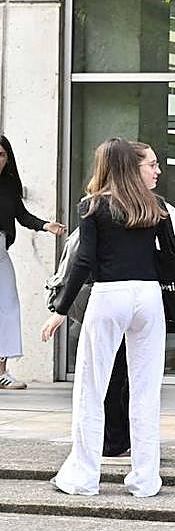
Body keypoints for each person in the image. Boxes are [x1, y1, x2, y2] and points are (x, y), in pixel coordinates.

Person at [41, 138, 175, 497]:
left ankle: (83, 477)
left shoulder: (92, 206)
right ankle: (145, 480)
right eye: (152, 164)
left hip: (109, 295)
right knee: (146, 390)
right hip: (148, 297)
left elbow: (83, 261)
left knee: (91, 387)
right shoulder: (156, 206)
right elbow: (171, 257)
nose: (158, 170)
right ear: (131, 167)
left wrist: (60, 309)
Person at [0, 134, 66, 389]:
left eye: (1, 155)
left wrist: (45, 225)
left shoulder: (9, 185)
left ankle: (1, 371)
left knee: (8, 306)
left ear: (8, 158)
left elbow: (22, 216)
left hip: (1, 249)